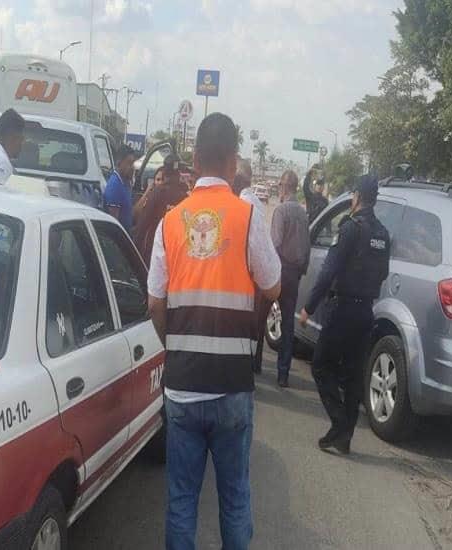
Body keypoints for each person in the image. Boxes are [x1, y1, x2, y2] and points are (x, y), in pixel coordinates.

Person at [148, 113, 281, 550]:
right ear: (232, 162)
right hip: (231, 388)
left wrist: (174, 345)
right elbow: (273, 284)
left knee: (182, 502)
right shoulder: (247, 217)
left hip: (183, 386)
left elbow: (154, 301)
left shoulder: (171, 223)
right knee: (235, 499)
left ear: (193, 159)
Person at [299, 175, 390, 454]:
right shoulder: (382, 234)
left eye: (352, 196)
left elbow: (329, 271)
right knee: (351, 376)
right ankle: (344, 439)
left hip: (342, 309)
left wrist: (308, 307)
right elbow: (384, 273)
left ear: (357, 197)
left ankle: (339, 425)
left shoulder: (350, 228)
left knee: (320, 366)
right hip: (366, 311)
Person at [271, 170, 310, 387]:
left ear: (284, 187)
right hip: (294, 273)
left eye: (279, 186)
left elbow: (274, 244)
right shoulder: (303, 214)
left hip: (279, 271)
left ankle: (255, 363)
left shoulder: (281, 211)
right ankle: (283, 374)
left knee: (260, 318)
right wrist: (300, 270)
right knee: (288, 324)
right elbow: (307, 247)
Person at [233, 158, 269, 375]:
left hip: (243, 277)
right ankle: (251, 365)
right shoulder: (257, 203)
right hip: (254, 277)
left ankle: (245, 367)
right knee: (253, 325)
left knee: (244, 325)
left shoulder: (243, 205)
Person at [133, 154, 188, 264]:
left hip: (156, 254)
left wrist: (135, 257)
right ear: (178, 173)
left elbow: (142, 226)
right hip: (177, 257)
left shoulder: (157, 193)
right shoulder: (186, 197)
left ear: (165, 173)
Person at [104, 144, 137, 232]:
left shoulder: (125, 183)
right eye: (129, 163)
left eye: (133, 163)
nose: (132, 167)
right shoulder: (115, 186)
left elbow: (130, 213)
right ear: (119, 163)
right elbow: (113, 224)